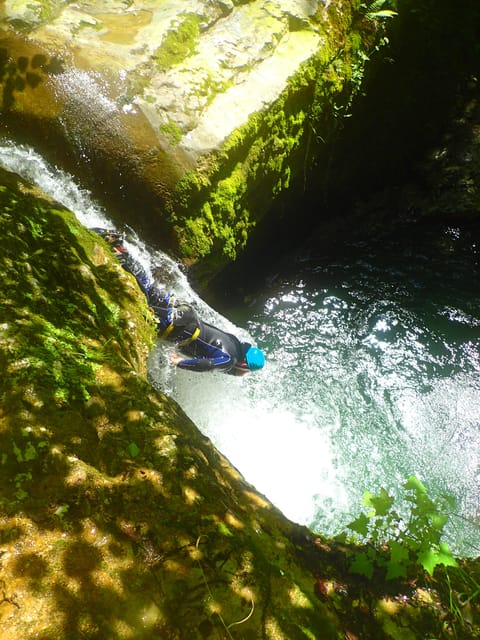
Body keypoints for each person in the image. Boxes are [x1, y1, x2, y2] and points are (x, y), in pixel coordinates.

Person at [91, 228, 265, 375]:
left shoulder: (234, 342)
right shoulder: (229, 359)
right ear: (244, 365)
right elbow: (208, 365)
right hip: (181, 327)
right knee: (139, 309)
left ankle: (120, 247)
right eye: (245, 371)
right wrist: (180, 362)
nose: (242, 374)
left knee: (148, 290)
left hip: (186, 313)